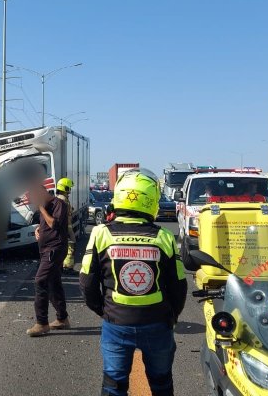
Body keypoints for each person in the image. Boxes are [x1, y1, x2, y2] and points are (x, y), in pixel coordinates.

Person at [79, 169, 187, 396]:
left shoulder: (101, 233)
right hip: (157, 323)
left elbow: (87, 282)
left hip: (116, 323)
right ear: (152, 200)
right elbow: (179, 286)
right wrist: (172, 316)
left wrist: (103, 310)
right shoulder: (164, 237)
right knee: (161, 383)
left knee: (114, 386)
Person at [26, 183, 71, 337]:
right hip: (46, 250)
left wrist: (41, 209)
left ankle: (42, 323)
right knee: (54, 283)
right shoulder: (45, 205)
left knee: (40, 281)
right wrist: (38, 229)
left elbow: (54, 223)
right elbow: (46, 223)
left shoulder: (59, 204)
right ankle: (62, 319)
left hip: (55, 249)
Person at [56, 177, 78, 272]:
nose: (70, 190)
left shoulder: (60, 198)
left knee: (63, 247)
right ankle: (68, 267)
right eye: (69, 188)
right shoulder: (63, 199)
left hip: (65, 227)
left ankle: (63, 266)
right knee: (71, 246)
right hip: (67, 228)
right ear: (65, 188)